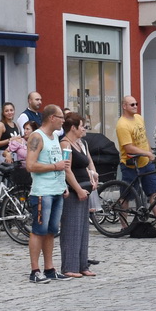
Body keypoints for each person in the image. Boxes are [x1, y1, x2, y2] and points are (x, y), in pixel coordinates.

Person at [26, 105, 68, 283]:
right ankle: (35, 270)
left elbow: (59, 163)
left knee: (51, 231)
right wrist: (54, 167)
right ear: (51, 118)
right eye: (60, 117)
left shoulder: (54, 137)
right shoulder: (37, 137)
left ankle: (49, 268)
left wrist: (63, 183)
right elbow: (30, 165)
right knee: (39, 230)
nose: (63, 121)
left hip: (56, 189)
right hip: (43, 191)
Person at [114, 95, 156, 229]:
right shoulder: (122, 125)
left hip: (146, 162)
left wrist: (149, 151)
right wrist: (147, 153)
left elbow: (144, 138)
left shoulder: (139, 118)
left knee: (155, 191)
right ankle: (124, 225)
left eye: (136, 104)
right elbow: (128, 147)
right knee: (126, 195)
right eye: (132, 104)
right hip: (130, 164)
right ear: (124, 106)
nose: (135, 106)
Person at [58, 112, 96, 278]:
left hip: (85, 187)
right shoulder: (66, 145)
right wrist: (78, 189)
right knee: (71, 228)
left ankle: (82, 264)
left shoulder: (81, 143)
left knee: (82, 229)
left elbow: (88, 163)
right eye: (82, 126)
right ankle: (69, 266)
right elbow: (67, 169)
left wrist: (93, 176)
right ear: (73, 128)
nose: (84, 129)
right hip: (74, 190)